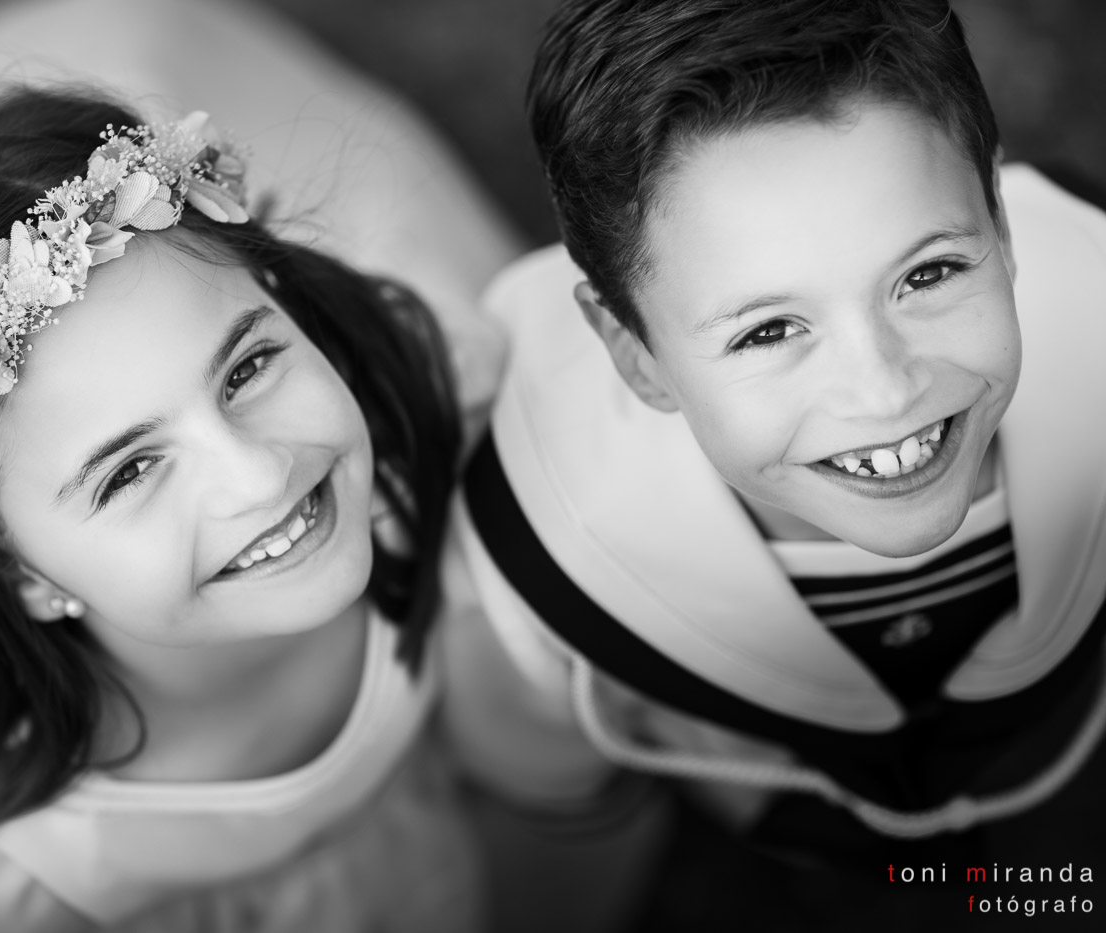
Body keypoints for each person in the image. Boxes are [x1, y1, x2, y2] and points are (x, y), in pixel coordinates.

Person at [0, 84, 478, 933]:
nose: (261, 477)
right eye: (130, 471)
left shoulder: (432, 435)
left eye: (247, 369)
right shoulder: (22, 880)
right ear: (21, 573)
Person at [442, 0, 1106, 926]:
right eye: (769, 330)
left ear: (1001, 222)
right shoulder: (537, 543)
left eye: (928, 274)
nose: (885, 393)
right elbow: (540, 757)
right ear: (635, 353)